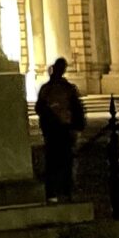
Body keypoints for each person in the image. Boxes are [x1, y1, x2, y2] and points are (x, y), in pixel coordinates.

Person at [35, 58, 85, 201]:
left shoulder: (49, 89)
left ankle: (56, 191)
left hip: (55, 130)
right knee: (64, 161)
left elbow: (40, 108)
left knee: (56, 161)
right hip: (62, 129)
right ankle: (65, 191)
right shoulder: (66, 88)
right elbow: (77, 109)